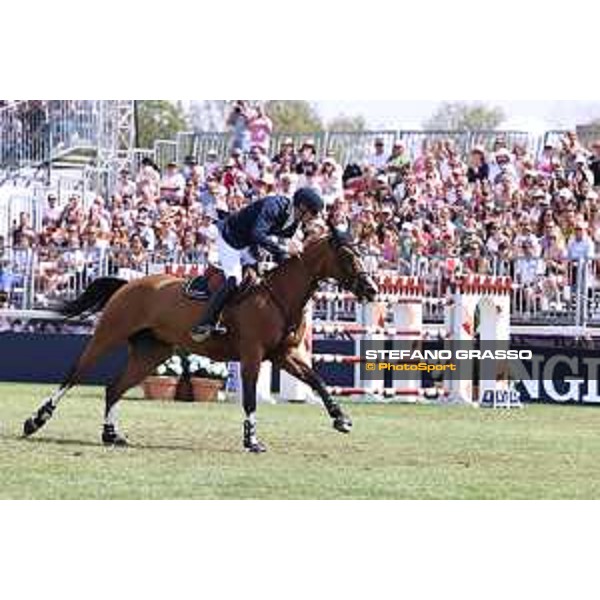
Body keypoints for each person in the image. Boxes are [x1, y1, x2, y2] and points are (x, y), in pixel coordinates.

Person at [190, 187, 324, 341]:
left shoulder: (294, 222)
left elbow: (278, 250)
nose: (313, 219)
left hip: (249, 245)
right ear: (302, 207)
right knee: (235, 281)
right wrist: (285, 248)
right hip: (231, 239)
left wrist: (290, 266)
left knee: (258, 283)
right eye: (313, 214)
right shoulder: (273, 206)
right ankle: (205, 323)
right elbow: (258, 233)